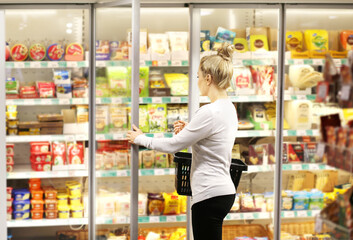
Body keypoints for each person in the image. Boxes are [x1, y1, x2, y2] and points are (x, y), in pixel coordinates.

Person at [127, 43, 238, 240]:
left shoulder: (209, 111)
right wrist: (190, 129)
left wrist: (141, 138)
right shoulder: (228, 108)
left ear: (208, 78)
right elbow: (214, 138)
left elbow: (173, 145)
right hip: (223, 191)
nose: (197, 82)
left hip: (209, 194)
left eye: (197, 77)